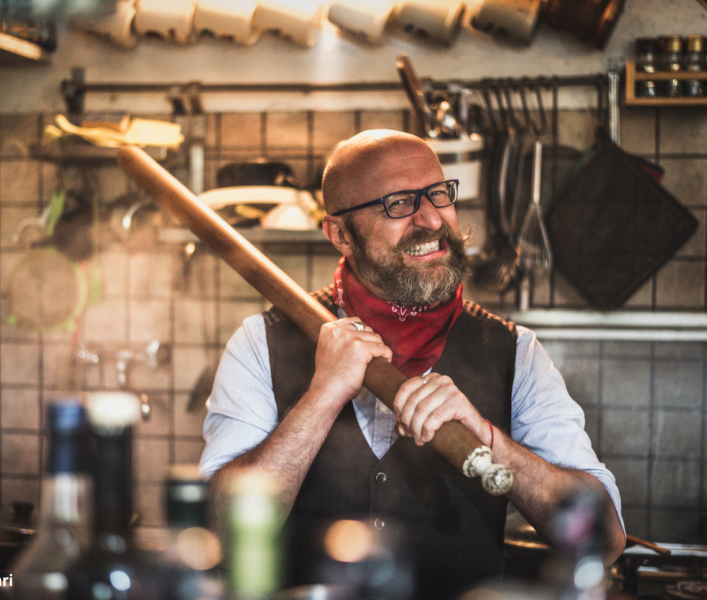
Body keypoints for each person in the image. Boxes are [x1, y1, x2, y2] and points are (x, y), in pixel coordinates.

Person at [199, 129, 626, 599]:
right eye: (398, 203)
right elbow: (217, 533)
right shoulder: (262, 342)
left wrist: (490, 441)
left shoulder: (515, 353)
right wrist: (321, 397)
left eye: (438, 194)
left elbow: (603, 540)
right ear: (340, 234)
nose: (430, 219)